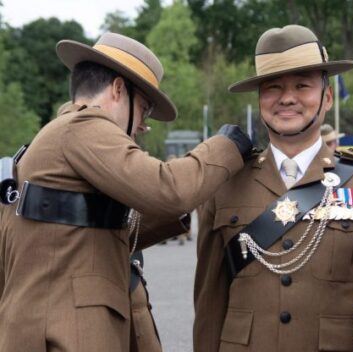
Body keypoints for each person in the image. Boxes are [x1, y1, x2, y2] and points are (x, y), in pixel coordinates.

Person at [0, 32, 252, 352]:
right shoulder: (86, 125)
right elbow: (168, 188)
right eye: (144, 109)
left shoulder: (49, 142)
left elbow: (96, 228)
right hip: (68, 338)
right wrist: (227, 147)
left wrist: (176, 214)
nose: (144, 126)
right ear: (119, 89)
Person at [193, 24, 353, 352]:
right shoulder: (224, 184)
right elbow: (209, 304)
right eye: (273, 88)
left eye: (302, 85)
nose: (287, 98)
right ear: (259, 100)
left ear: (326, 97)